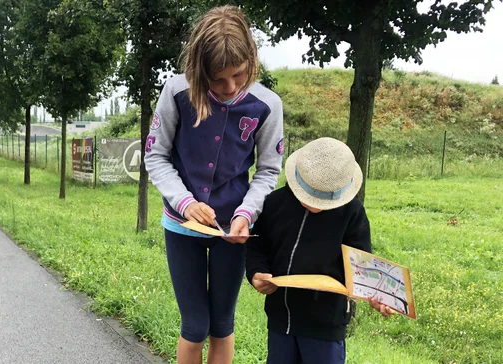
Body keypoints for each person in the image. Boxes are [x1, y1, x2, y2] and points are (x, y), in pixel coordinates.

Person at [144, 5, 284, 364]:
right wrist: (185, 203)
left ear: (251, 60)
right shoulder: (176, 92)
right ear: (198, 69)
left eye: (238, 75)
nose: (229, 87)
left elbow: (269, 170)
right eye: (217, 79)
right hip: (181, 225)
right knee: (194, 325)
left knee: (222, 324)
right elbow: (155, 156)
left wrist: (246, 214)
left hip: (233, 231)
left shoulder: (268, 105)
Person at [245, 137, 395, 364]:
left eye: (323, 199)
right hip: (279, 318)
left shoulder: (352, 214)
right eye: (309, 195)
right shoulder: (275, 203)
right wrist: (256, 272)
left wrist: (375, 294)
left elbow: (362, 266)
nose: (314, 205)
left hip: (325, 324)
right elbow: (256, 245)